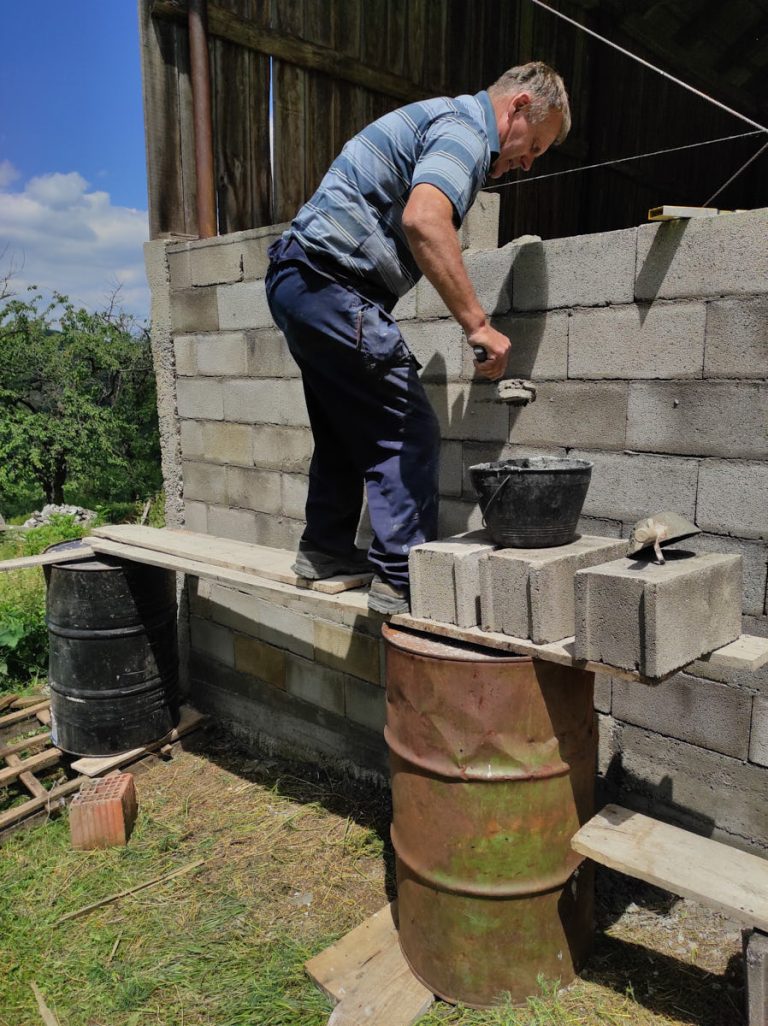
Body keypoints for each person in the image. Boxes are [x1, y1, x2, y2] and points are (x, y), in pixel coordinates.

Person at [266, 61, 570, 614]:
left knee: (342, 429)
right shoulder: (465, 132)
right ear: (519, 107)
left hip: (299, 282)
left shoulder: (443, 122)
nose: (527, 163)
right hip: (333, 283)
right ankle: (400, 578)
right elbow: (425, 219)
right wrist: (478, 324)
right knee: (407, 431)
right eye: (536, 147)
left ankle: (326, 553)